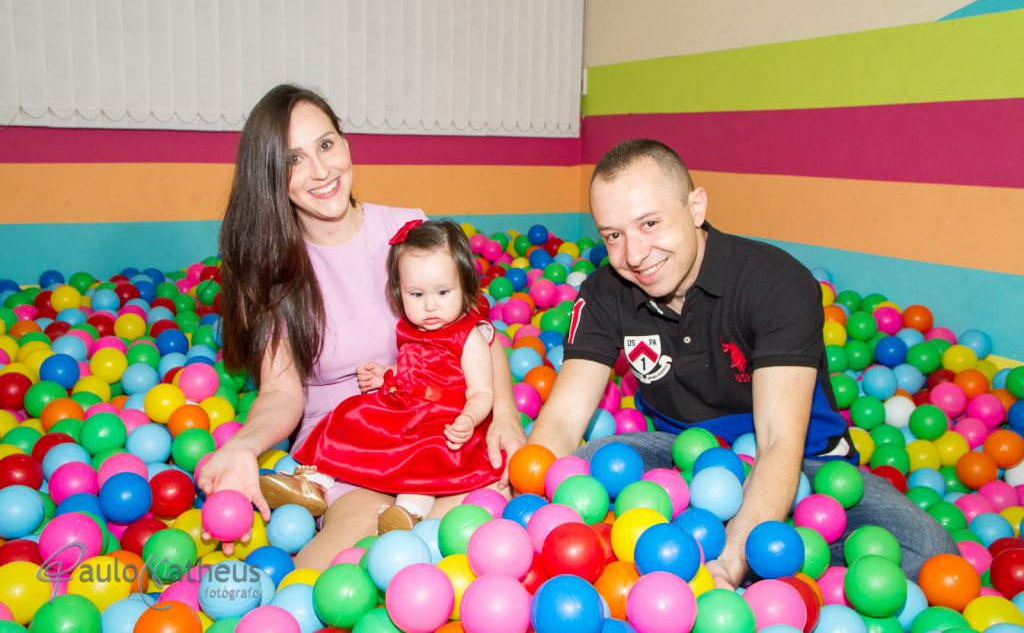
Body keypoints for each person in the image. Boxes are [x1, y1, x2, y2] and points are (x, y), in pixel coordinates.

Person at [528, 139, 956, 587]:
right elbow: (561, 418)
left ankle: (774, 559)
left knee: (927, 552)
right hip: (683, 455)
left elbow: (777, 442)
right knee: (590, 462)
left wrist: (734, 559)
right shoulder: (604, 292)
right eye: (614, 235)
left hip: (802, 464)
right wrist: (527, 517)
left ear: (696, 207)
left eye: (650, 223)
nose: (634, 256)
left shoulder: (775, 283)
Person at [198, 84, 524, 569]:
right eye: (294, 160)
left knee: (467, 530)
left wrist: (505, 418)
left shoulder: (408, 232)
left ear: (346, 144)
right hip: (346, 443)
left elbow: (477, 336)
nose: (321, 171)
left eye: (326, 145)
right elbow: (282, 391)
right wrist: (244, 445)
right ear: (270, 176)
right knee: (355, 549)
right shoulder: (275, 269)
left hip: (439, 427)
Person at [287, 219, 505, 533]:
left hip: (443, 419)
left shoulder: (468, 336)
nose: (430, 305)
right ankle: (319, 479)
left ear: (466, 287)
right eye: (416, 295)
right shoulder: (408, 328)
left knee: (425, 458)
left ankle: (407, 512)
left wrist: (469, 419)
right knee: (350, 416)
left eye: (443, 292)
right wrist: (386, 376)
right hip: (403, 407)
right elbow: (414, 370)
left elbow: (483, 391)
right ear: (399, 292)